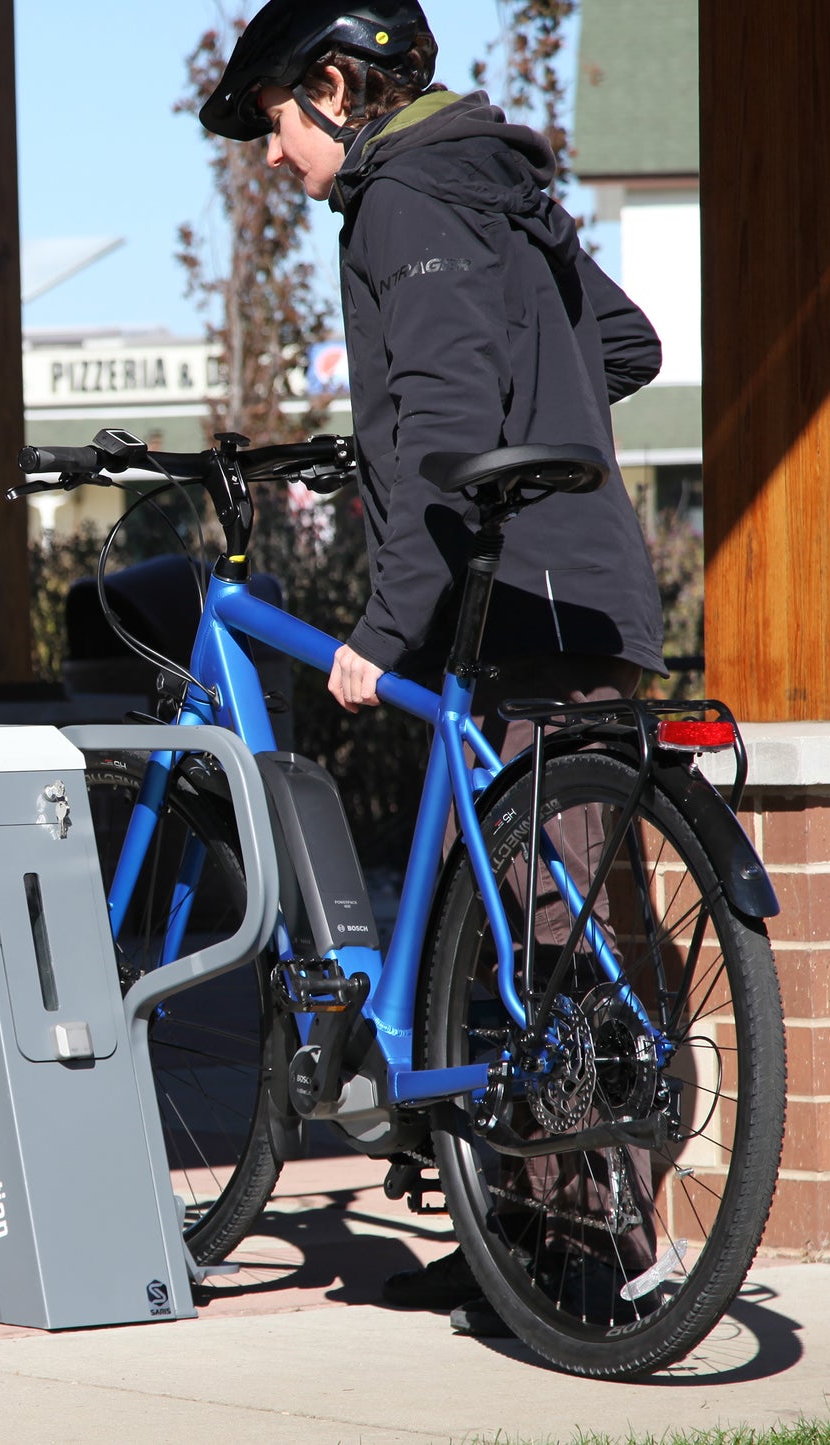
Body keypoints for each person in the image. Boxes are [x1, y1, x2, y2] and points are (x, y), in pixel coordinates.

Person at [200, 0, 666, 1335]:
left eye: (279, 126)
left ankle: (596, 1252)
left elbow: (445, 432)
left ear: (336, 88)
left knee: (541, 927)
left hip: (515, 596)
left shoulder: (403, 203)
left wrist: (382, 631)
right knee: (512, 902)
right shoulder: (502, 187)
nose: (277, 164)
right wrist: (555, 409)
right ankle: (513, 1224)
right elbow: (624, 345)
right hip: (581, 582)